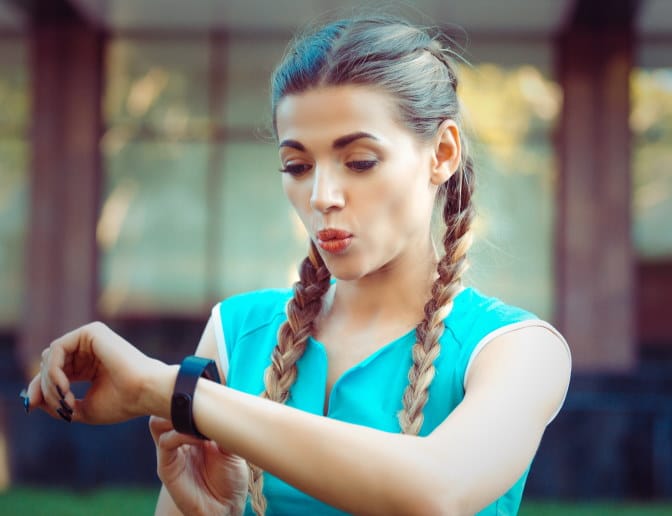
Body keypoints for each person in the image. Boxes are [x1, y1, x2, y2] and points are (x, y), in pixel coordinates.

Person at [23, 14, 571, 516]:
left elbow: (438, 488)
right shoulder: (237, 334)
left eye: (359, 161)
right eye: (297, 165)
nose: (322, 195)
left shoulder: (516, 349)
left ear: (443, 153)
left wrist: (169, 391)